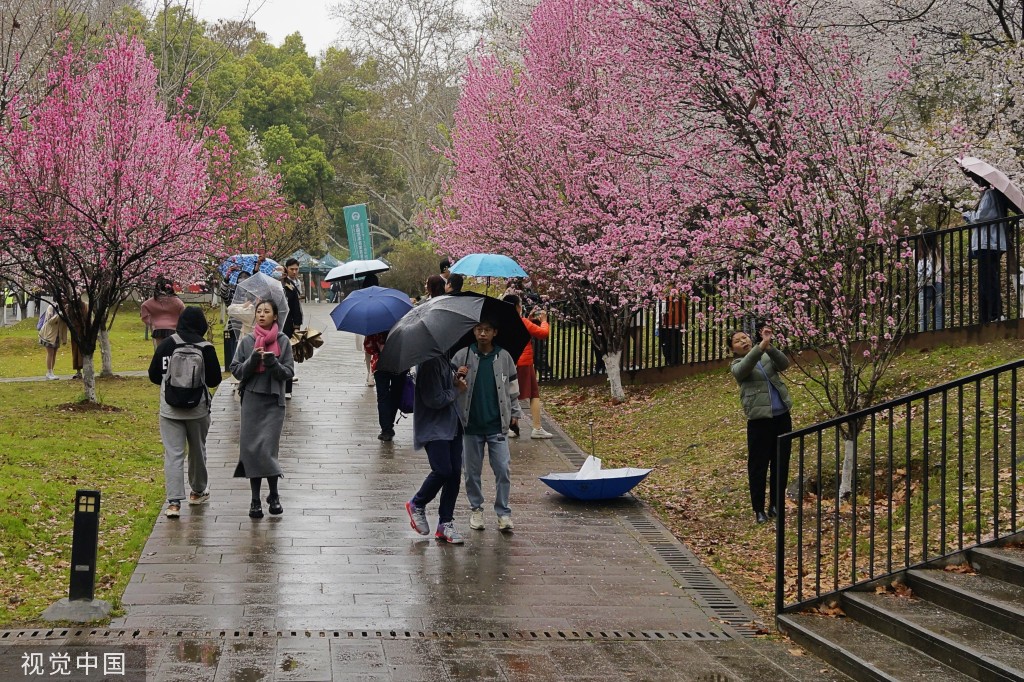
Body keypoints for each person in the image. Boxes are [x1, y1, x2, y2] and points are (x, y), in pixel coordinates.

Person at [148, 307, 222, 518]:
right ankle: (197, 492)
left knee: (173, 454)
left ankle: (173, 503)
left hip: (170, 409)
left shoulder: (168, 344)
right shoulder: (206, 348)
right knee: (197, 450)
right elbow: (215, 380)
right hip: (197, 410)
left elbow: (154, 375)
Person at [452, 320, 523, 532]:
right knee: (471, 472)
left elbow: (512, 388)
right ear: (474, 331)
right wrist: (456, 379)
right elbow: (449, 385)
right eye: (479, 329)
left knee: (502, 468)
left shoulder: (504, 357)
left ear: (495, 332)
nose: (482, 334)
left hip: (496, 424)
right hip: (470, 424)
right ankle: (476, 509)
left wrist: (515, 413)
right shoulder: (462, 355)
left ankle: (503, 513)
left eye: (487, 330)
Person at [231, 299, 295, 519]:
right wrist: (252, 360)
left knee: (267, 450)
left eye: (267, 311)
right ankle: (255, 499)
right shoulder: (248, 340)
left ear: (275, 316)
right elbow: (236, 370)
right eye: (259, 311)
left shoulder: (283, 341)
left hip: (273, 402)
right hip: (251, 401)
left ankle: (274, 495)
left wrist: (273, 364)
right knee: (251, 451)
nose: (262, 315)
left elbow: (288, 372)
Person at [729, 327, 792, 525]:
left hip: (781, 416)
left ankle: (776, 504)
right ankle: (759, 509)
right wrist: (760, 347)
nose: (744, 341)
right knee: (758, 466)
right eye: (738, 341)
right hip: (759, 421)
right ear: (733, 349)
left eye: (745, 337)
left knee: (780, 463)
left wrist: (769, 346)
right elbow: (745, 368)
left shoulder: (766, 355)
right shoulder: (737, 364)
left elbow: (784, 364)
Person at [405, 354, 468, 544]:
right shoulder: (430, 362)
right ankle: (418, 503)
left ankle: (445, 524)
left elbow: (444, 388)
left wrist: (455, 377)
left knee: (454, 474)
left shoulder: (444, 358)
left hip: (452, 425)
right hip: (435, 428)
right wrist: (457, 389)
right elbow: (434, 399)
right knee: (443, 470)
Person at [503, 294, 553, 439]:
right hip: (524, 362)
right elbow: (543, 333)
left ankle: (512, 426)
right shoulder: (522, 321)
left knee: (510, 395)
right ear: (517, 307)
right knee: (533, 394)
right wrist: (544, 321)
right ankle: (537, 427)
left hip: (509, 362)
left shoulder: (503, 322)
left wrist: (530, 320)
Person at [963, 183, 1010, 324]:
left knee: (989, 280)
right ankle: (986, 316)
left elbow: (981, 216)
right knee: (986, 280)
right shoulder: (993, 195)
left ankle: (995, 314)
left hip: (988, 244)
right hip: (990, 243)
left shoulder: (990, 194)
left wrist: (968, 215)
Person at [364, 331, 406, 441]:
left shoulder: (376, 326)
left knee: (382, 397)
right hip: (400, 363)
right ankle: (389, 424)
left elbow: (369, 348)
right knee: (396, 394)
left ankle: (386, 429)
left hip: (380, 363)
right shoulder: (404, 324)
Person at [140, 277, 185, 350]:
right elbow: (183, 312)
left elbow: (143, 307)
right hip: (173, 329)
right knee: (172, 350)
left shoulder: (153, 300)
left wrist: (151, 321)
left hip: (158, 329)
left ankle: (160, 361)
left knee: (160, 350)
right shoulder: (176, 301)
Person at [282, 258, 304, 399]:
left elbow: (296, 307)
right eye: (292, 269)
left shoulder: (292, 286)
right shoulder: (276, 284)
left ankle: (287, 387)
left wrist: (297, 326)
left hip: (288, 325)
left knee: (287, 355)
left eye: (296, 269)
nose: (294, 272)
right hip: (274, 324)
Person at [916, 231, 946, 332]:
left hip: (923, 283)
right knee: (938, 313)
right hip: (938, 282)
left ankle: (923, 336)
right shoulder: (938, 251)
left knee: (924, 315)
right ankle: (939, 336)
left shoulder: (916, 252)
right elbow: (946, 268)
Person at [37, 301, 67, 380]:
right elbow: (50, 321)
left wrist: (64, 339)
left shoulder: (65, 309)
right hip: (48, 334)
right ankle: (49, 372)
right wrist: (59, 314)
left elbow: (64, 325)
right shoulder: (51, 307)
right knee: (50, 353)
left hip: (57, 335)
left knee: (54, 354)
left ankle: (51, 372)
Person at [658, 292, 686, 366]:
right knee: (677, 345)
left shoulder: (665, 294)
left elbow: (662, 311)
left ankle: (671, 363)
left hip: (667, 324)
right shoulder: (680, 293)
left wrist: (658, 324)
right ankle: (678, 364)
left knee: (667, 346)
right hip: (679, 324)